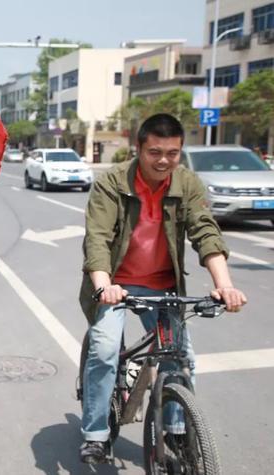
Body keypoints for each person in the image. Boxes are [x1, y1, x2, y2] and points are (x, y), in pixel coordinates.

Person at [77, 113, 247, 464]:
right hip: (117, 285)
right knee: (106, 350)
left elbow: (205, 232)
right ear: (138, 148)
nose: (164, 160)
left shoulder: (186, 183)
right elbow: (97, 238)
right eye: (155, 152)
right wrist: (104, 286)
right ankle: (95, 434)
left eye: (172, 153)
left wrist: (225, 285)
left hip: (165, 286)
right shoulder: (112, 181)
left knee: (182, 359)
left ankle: (177, 428)